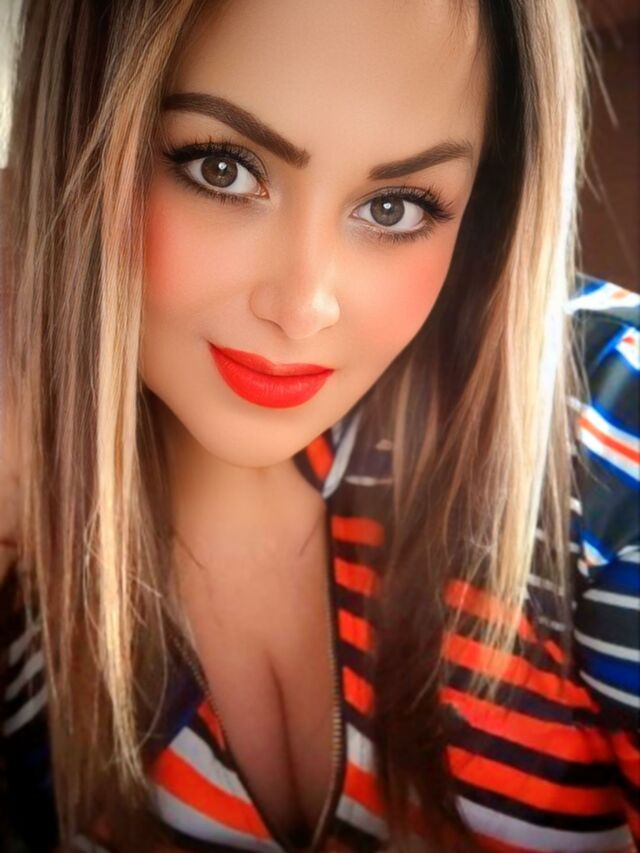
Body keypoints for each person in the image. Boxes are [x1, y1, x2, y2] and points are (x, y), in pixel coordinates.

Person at [0, 0, 638, 851]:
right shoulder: (26, 552)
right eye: (223, 168)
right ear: (77, 133)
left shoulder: (610, 426)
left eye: (395, 208)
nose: (304, 306)